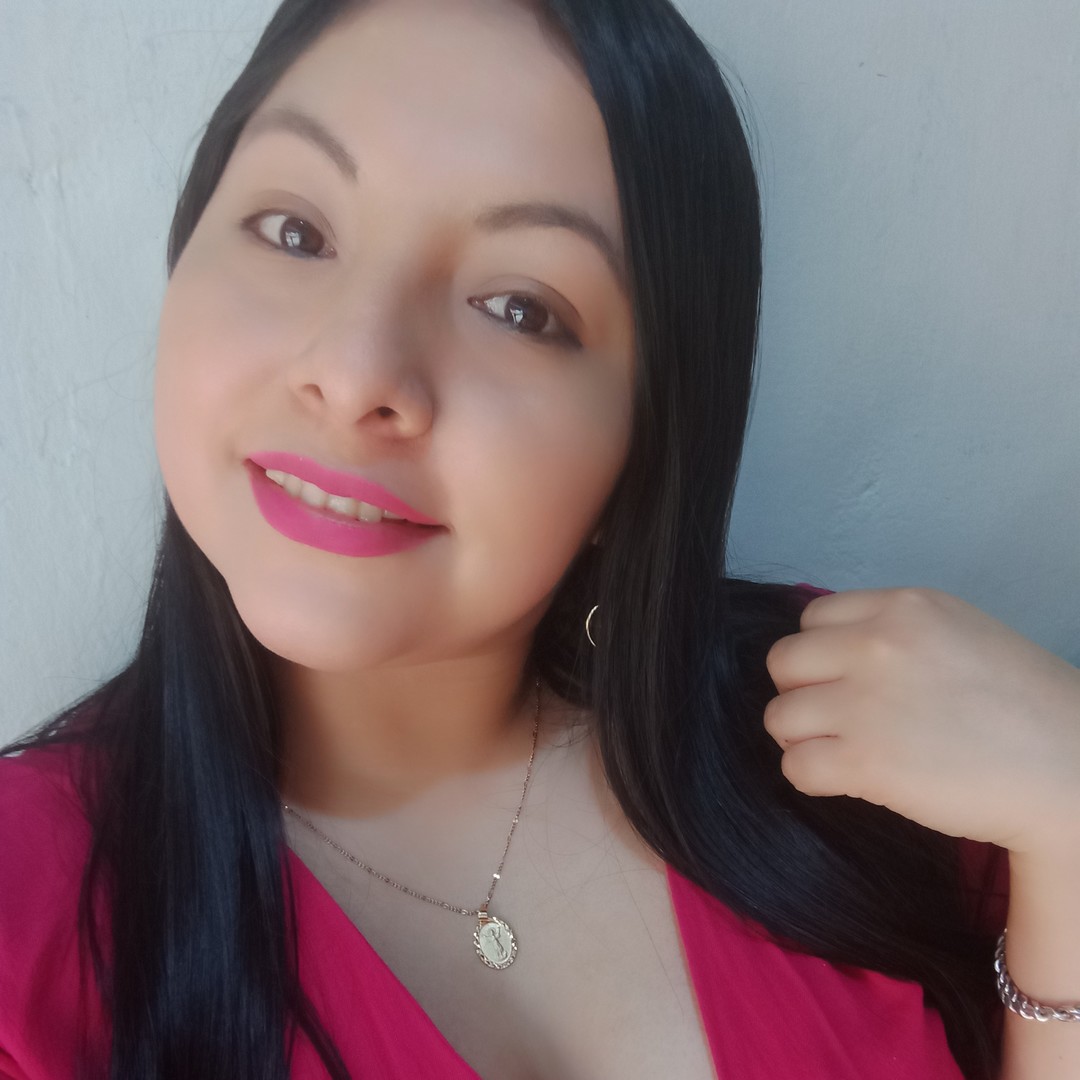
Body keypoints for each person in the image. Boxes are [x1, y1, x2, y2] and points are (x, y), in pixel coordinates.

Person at [1, 0, 1077, 1077]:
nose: (358, 370)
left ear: (644, 439)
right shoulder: (27, 921)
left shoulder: (853, 723)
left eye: (519, 308)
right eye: (296, 232)